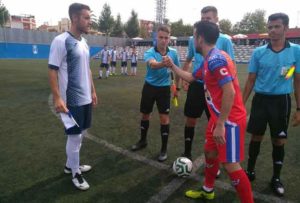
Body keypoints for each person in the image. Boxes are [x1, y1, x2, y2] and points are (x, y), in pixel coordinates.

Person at [164, 21, 253, 202]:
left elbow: (230, 91)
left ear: (200, 38)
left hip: (230, 120)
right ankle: (208, 189)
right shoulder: (209, 60)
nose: (192, 39)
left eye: (193, 35)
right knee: (209, 153)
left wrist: (221, 124)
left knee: (231, 165)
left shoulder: (216, 60)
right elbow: (191, 77)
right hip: (218, 118)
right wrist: (172, 66)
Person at [243, 13, 300, 196]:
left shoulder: (296, 51)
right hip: (260, 101)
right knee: (255, 137)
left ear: (286, 28)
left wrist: (299, 109)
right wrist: (241, 105)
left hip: (282, 102)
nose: (272, 30)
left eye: (276, 26)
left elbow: (297, 81)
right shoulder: (258, 52)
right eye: (269, 27)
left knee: (279, 140)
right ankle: (250, 172)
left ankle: (276, 178)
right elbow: (250, 80)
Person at [48, 3, 98, 191]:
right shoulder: (61, 41)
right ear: (75, 18)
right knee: (75, 137)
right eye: (86, 18)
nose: (89, 21)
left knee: (80, 133)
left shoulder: (84, 42)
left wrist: (93, 91)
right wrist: (57, 98)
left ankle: (71, 165)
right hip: (71, 99)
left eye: (90, 18)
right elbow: (52, 70)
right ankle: (76, 173)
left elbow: (88, 69)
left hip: (85, 98)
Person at [181, 6, 235, 160]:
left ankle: (215, 160)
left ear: (216, 20)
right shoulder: (194, 39)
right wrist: (185, 81)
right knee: (191, 119)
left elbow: (231, 65)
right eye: (202, 19)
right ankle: (187, 152)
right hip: (197, 84)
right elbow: (189, 59)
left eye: (208, 19)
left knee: (216, 123)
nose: (205, 22)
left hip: (215, 89)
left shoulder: (224, 40)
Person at [131, 25, 180, 162]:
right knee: (145, 115)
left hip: (164, 89)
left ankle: (163, 149)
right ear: (156, 37)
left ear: (169, 38)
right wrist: (164, 63)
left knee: (164, 118)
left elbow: (177, 71)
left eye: (166, 38)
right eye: (161, 37)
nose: (163, 40)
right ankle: (143, 140)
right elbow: (152, 64)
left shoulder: (174, 53)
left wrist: (177, 88)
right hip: (149, 87)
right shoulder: (149, 52)